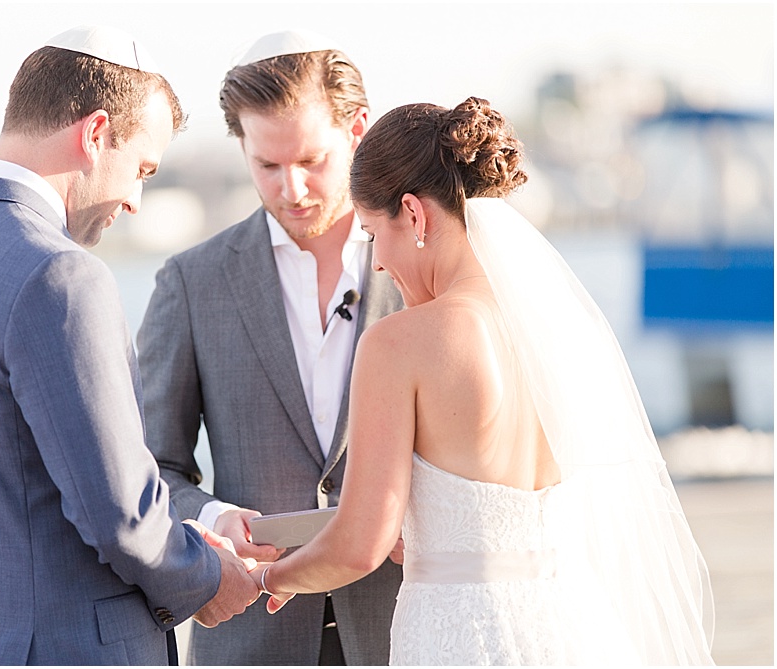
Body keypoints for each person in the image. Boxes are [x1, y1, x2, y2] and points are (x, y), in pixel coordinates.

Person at [248, 97, 717, 665]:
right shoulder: (561, 329)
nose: (376, 264)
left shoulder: (399, 343)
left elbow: (360, 545)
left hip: (462, 637)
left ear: (414, 215)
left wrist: (270, 578)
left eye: (373, 234)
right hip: (572, 627)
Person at [0, 25, 260, 666]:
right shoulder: (60, 275)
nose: (134, 199)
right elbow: (121, 515)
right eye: (142, 169)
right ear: (96, 132)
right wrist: (210, 579)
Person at [136, 30, 404, 665]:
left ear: (358, 130)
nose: (293, 189)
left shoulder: (423, 267)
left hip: (407, 626)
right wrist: (216, 517)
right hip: (252, 636)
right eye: (268, 166)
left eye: (312, 160)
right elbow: (148, 469)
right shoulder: (191, 283)